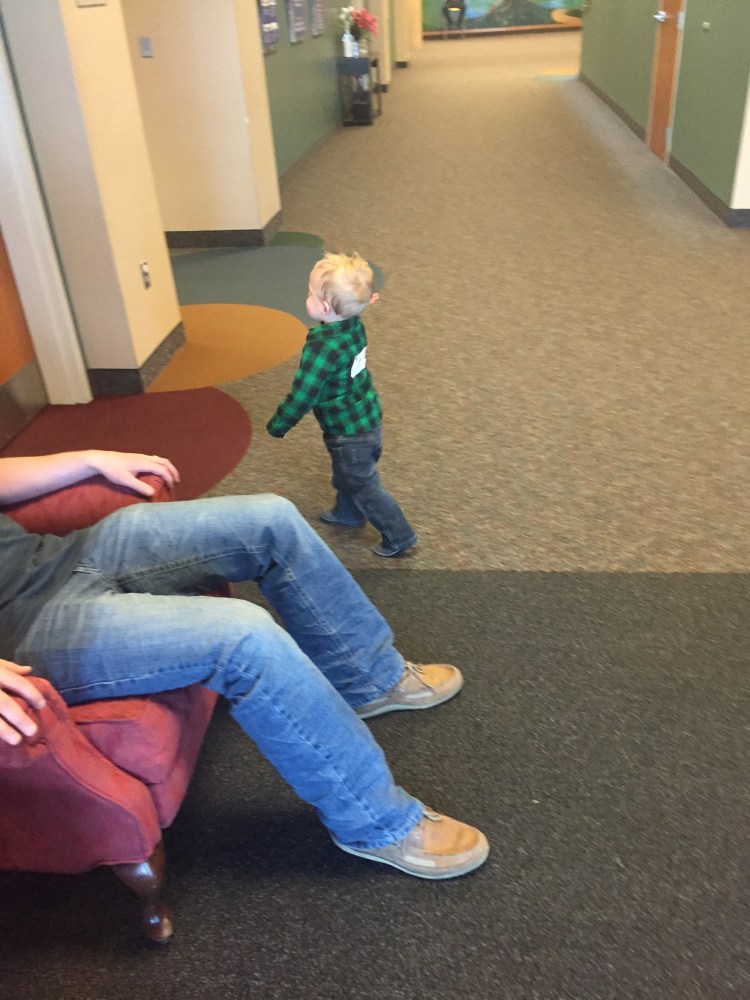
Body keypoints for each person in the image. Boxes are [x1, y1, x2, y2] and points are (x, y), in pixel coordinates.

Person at [0, 449, 488, 879]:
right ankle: (375, 821)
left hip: (57, 557)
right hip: (26, 627)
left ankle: (367, 679)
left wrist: (87, 460)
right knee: (242, 637)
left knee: (269, 518)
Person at [266, 252, 417, 558]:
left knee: (363, 484)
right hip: (366, 415)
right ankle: (348, 513)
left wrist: (279, 424)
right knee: (348, 474)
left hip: (347, 431)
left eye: (310, 293)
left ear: (323, 307)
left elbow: (303, 394)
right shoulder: (353, 324)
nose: (306, 296)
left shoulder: (322, 347)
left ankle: (399, 535)